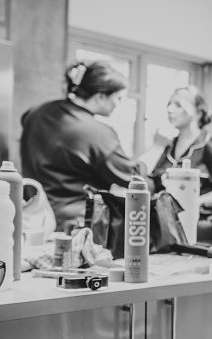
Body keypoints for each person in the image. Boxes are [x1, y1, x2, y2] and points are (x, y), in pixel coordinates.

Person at [20, 60, 151, 229]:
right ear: (100, 96)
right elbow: (132, 179)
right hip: (74, 226)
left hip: (32, 218)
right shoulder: (97, 133)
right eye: (118, 98)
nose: (117, 105)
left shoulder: (36, 112)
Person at [149, 85, 212, 207]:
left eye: (178, 105)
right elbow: (151, 183)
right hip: (164, 217)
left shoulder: (210, 147)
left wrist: (193, 203)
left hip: (197, 219)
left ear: (199, 112)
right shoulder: (168, 147)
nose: (170, 109)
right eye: (169, 104)